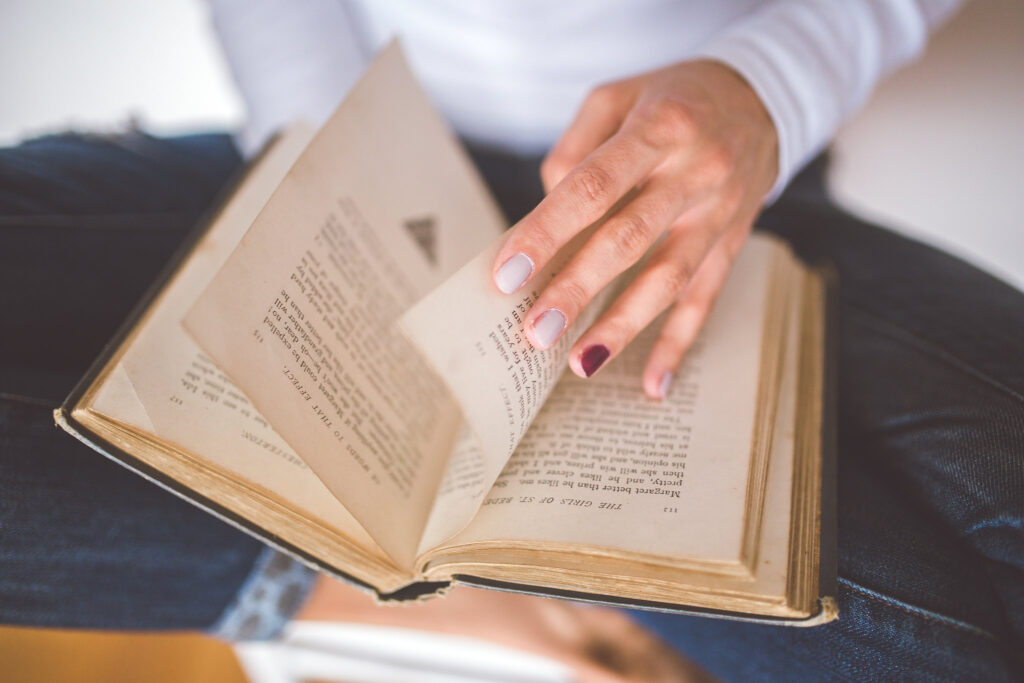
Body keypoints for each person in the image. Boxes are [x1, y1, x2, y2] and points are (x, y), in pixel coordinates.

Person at [1, 0, 1021, 679]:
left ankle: (486, 566)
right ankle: (375, 588)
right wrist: (339, 188)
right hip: (335, 154)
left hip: (718, 198)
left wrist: (765, 90)